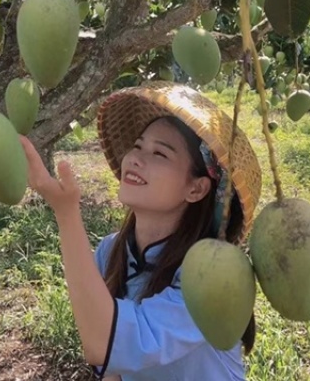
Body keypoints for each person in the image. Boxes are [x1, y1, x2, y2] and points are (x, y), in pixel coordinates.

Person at [20, 82, 262, 381]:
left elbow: (102, 343)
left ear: (196, 188)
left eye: (160, 154)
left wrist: (65, 210)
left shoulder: (211, 275)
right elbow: (113, 368)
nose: (135, 159)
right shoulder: (110, 252)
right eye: (138, 146)